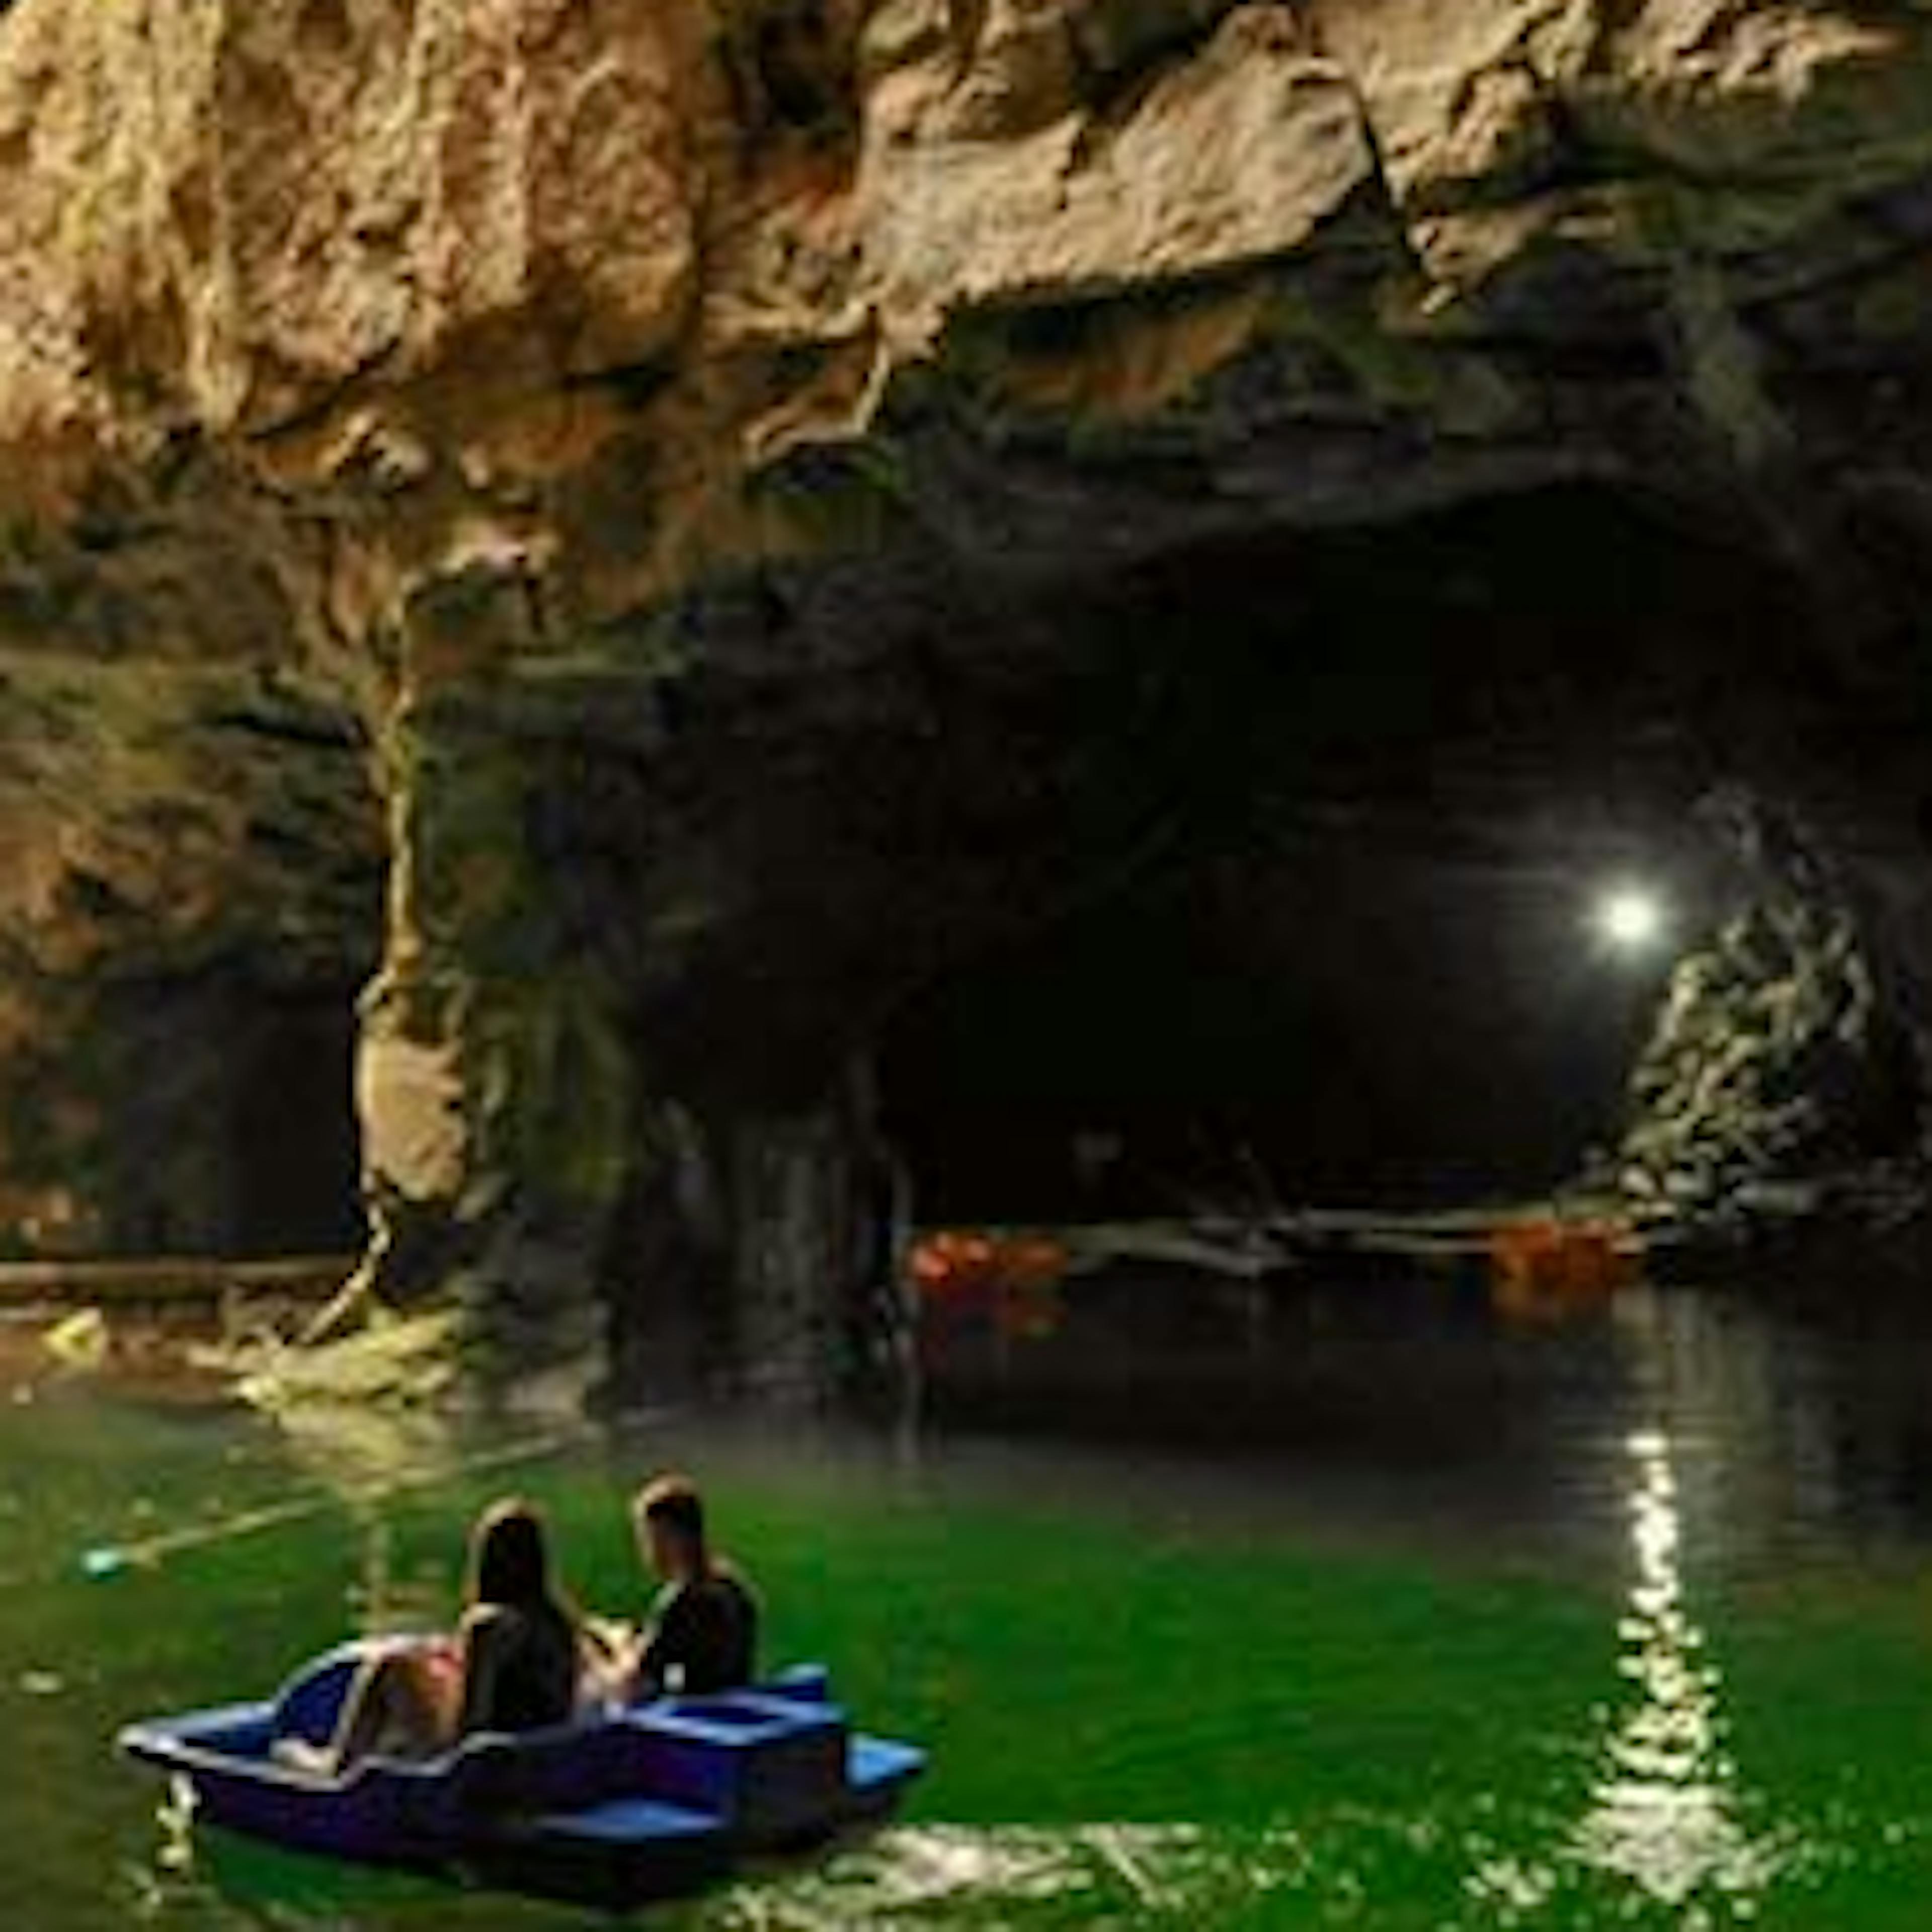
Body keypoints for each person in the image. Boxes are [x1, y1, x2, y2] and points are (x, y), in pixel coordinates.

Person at [287, 1497, 580, 1774]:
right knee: (429, 1671)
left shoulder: (487, 1625)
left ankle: (338, 1765)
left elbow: (472, 1722)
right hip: (542, 1753)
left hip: (490, 1764)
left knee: (391, 1666)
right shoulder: (558, 1620)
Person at [623, 1473, 759, 1698]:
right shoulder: (734, 1587)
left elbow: (637, 1680)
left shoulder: (684, 1601)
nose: (648, 1553)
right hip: (734, 1707)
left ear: (675, 1537)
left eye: (651, 1539)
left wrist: (619, 1655)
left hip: (698, 1719)